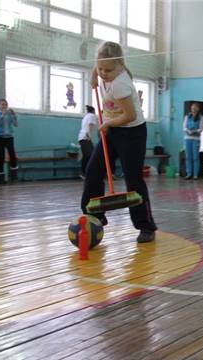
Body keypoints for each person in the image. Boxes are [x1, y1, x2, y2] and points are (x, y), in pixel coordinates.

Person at [83, 41, 157, 243]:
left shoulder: (120, 84)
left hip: (131, 132)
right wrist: (93, 74)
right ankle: (93, 216)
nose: (103, 73)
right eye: (100, 68)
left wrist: (108, 124)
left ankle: (146, 226)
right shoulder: (104, 69)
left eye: (108, 70)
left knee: (133, 180)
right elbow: (99, 67)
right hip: (112, 128)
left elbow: (130, 115)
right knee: (93, 171)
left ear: (120, 66)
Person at [0, 99, 18, 184]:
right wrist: (2, 115)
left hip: (9, 137)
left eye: (5, 104)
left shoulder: (9, 114)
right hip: (0, 138)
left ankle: (13, 176)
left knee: (12, 155)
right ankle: (1, 178)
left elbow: (16, 124)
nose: (4, 106)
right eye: (2, 104)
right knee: (2, 157)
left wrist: (14, 115)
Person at [183, 102, 203, 180]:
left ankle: (195, 175)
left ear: (198, 109)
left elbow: (201, 128)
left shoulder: (201, 117)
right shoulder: (187, 116)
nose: (194, 109)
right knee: (188, 157)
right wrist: (188, 131)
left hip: (196, 139)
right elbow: (184, 127)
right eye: (192, 108)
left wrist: (195, 131)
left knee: (196, 157)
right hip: (187, 138)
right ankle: (189, 174)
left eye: (195, 108)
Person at [78, 105, 98, 179]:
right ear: (93, 111)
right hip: (86, 137)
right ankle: (88, 173)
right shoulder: (92, 116)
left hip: (81, 138)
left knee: (86, 156)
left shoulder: (85, 117)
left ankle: (84, 173)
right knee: (91, 156)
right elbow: (90, 126)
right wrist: (90, 137)